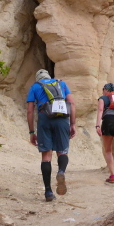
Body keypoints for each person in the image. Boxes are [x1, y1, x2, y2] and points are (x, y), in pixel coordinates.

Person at [26, 69, 77, 201]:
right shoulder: (61, 83)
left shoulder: (35, 87)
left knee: (46, 156)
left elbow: (30, 111)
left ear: (38, 79)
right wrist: (72, 124)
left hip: (45, 119)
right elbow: (71, 103)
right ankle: (61, 172)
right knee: (62, 151)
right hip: (62, 118)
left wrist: (32, 132)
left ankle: (48, 192)